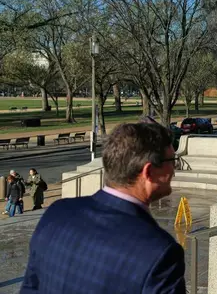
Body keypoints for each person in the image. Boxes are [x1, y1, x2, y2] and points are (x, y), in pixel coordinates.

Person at [21, 122, 186, 293]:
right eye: (172, 160)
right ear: (149, 172)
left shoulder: (57, 212)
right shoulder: (161, 253)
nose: (174, 169)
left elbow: (29, 288)